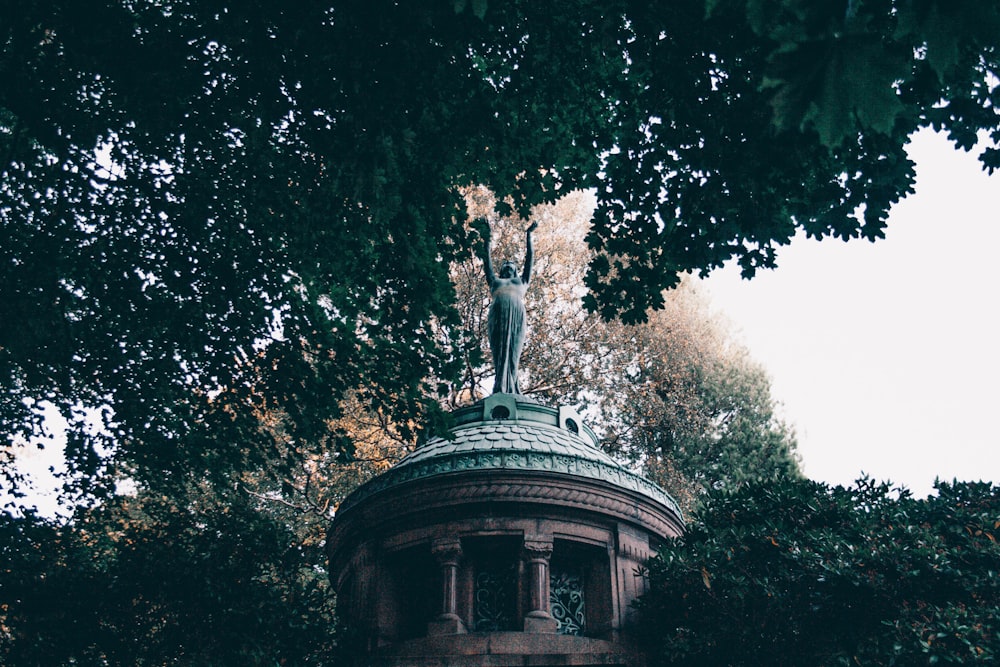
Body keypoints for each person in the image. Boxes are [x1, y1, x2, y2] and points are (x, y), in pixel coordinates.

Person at [479, 220, 537, 394]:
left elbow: (530, 259)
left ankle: (512, 387)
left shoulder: (522, 281)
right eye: (505, 264)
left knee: (514, 352)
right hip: (497, 315)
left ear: (515, 269)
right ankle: (500, 387)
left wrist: (528, 235)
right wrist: (487, 237)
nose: (508, 265)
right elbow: (486, 260)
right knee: (499, 352)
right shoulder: (495, 281)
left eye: (511, 264)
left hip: (517, 316)